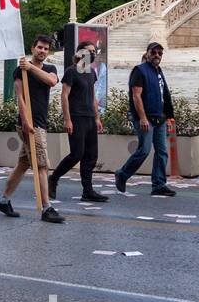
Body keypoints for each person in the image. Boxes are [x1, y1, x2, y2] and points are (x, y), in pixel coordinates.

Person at [0, 34, 64, 223]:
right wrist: (26, 122)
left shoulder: (48, 68)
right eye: (39, 47)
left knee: (24, 164)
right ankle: (47, 208)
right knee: (42, 165)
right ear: (33, 48)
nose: (42, 51)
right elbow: (20, 97)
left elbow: (51, 81)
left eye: (45, 48)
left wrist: (31, 67)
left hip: (41, 121)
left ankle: (4, 200)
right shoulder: (20, 71)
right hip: (30, 124)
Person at [49, 41, 108, 203]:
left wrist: (97, 117)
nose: (92, 53)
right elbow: (64, 95)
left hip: (90, 117)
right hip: (76, 117)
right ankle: (53, 178)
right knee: (77, 154)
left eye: (94, 51)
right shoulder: (71, 72)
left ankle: (87, 191)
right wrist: (67, 119)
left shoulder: (91, 73)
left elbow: (93, 97)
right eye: (89, 51)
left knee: (91, 156)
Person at [115, 41, 175, 197]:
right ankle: (122, 174)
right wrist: (142, 118)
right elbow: (136, 96)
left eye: (160, 53)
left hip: (159, 118)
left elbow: (165, 95)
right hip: (145, 119)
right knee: (144, 150)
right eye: (153, 52)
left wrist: (169, 117)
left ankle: (159, 184)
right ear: (147, 53)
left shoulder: (159, 71)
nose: (156, 55)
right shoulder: (139, 71)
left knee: (162, 152)